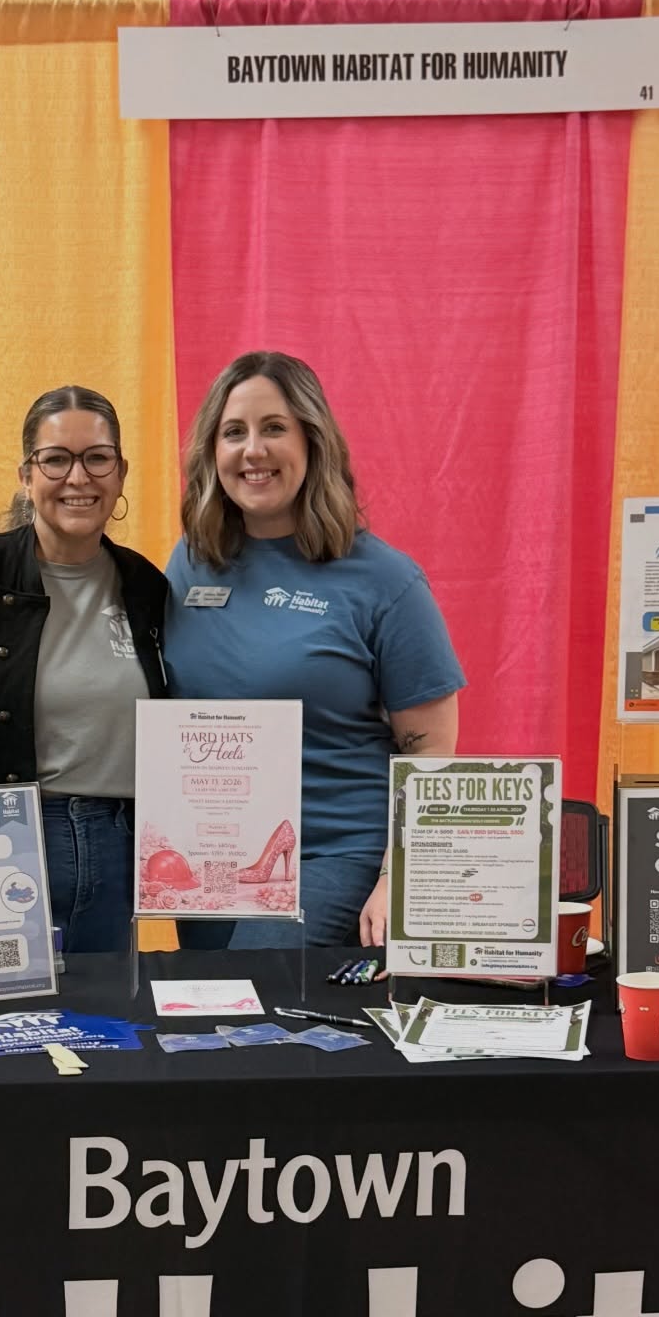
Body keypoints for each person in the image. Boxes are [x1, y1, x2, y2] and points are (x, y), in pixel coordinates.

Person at [165, 351, 464, 949]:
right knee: (211, 1023)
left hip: (334, 852)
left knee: (261, 978)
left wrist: (398, 876)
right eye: (233, 432)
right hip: (213, 861)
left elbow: (430, 747)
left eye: (274, 428)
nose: (253, 450)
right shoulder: (190, 564)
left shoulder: (385, 580)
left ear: (313, 440)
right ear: (211, 452)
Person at [0, 386, 167, 952]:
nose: (78, 477)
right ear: (26, 475)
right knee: (0, 1028)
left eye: (97, 458)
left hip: (120, 844)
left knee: (106, 1024)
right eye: (56, 459)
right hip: (1, 843)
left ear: (120, 474)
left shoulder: (147, 586)